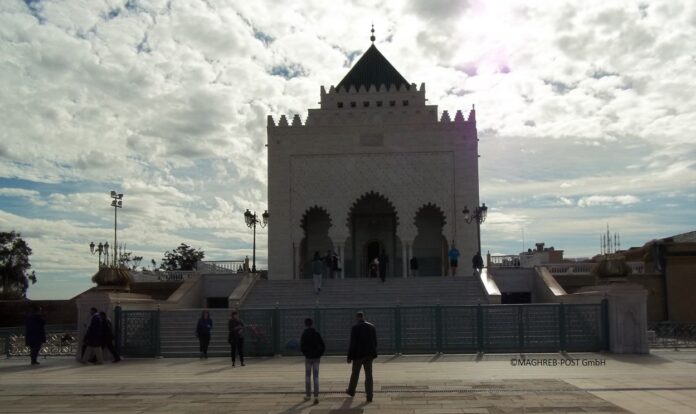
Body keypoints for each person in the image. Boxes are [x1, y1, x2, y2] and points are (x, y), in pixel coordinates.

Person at [345, 311, 377, 403]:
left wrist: (349, 357)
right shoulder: (371, 326)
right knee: (369, 375)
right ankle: (369, 395)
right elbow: (375, 342)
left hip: (358, 355)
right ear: (363, 317)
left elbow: (353, 344)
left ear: (357, 318)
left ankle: (351, 391)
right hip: (369, 355)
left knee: (355, 374)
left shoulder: (355, 328)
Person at [300, 318, 325, 405]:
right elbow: (323, 345)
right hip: (316, 358)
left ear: (305, 324)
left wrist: (306, 354)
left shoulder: (304, 334)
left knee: (307, 376)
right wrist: (319, 354)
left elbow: (302, 347)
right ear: (312, 324)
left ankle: (308, 395)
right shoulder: (316, 334)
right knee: (316, 376)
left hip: (308, 358)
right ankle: (316, 396)